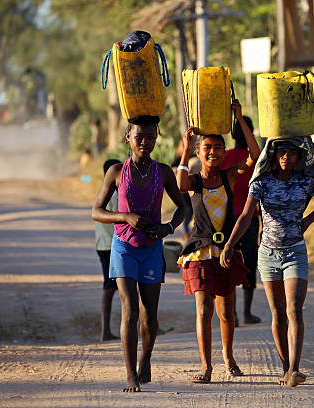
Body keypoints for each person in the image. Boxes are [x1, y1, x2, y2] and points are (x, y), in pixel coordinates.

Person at [220, 140, 314, 388]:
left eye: (291, 153)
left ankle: (294, 368)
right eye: (282, 152)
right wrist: (229, 244)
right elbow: (244, 217)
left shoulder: (305, 182)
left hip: (295, 252)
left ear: (298, 157)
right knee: (278, 314)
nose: (286, 157)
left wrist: (307, 221)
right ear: (273, 156)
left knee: (294, 310)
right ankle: (285, 368)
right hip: (268, 255)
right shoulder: (261, 183)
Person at [92, 116, 186, 392]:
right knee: (130, 310)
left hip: (152, 249)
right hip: (123, 247)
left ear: (156, 139)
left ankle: (146, 359)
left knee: (150, 314)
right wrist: (124, 217)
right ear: (128, 139)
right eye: (139, 137)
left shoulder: (164, 172)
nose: (144, 142)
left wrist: (168, 227)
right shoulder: (117, 172)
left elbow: (182, 207)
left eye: (150, 137)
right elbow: (96, 211)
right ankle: (131, 374)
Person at [176, 99, 260, 384]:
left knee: (226, 312)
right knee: (203, 309)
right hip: (200, 254)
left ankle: (228, 356)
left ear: (225, 152)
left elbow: (255, 156)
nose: (213, 152)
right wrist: (185, 151)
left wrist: (239, 117)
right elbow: (179, 184)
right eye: (207, 148)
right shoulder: (194, 182)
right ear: (199, 152)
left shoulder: (229, 177)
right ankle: (206, 366)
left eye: (218, 147)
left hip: (226, 253)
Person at [221, 116, 261, 326]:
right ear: (249, 133)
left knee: (229, 262)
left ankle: (233, 315)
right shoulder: (256, 159)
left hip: (228, 219)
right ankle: (246, 313)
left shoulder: (225, 157)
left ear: (232, 134)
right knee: (249, 264)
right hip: (250, 219)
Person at [94, 158, 121, 342]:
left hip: (102, 245)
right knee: (119, 288)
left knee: (110, 287)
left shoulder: (102, 193)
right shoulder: (116, 195)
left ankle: (105, 330)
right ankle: (145, 326)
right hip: (112, 246)